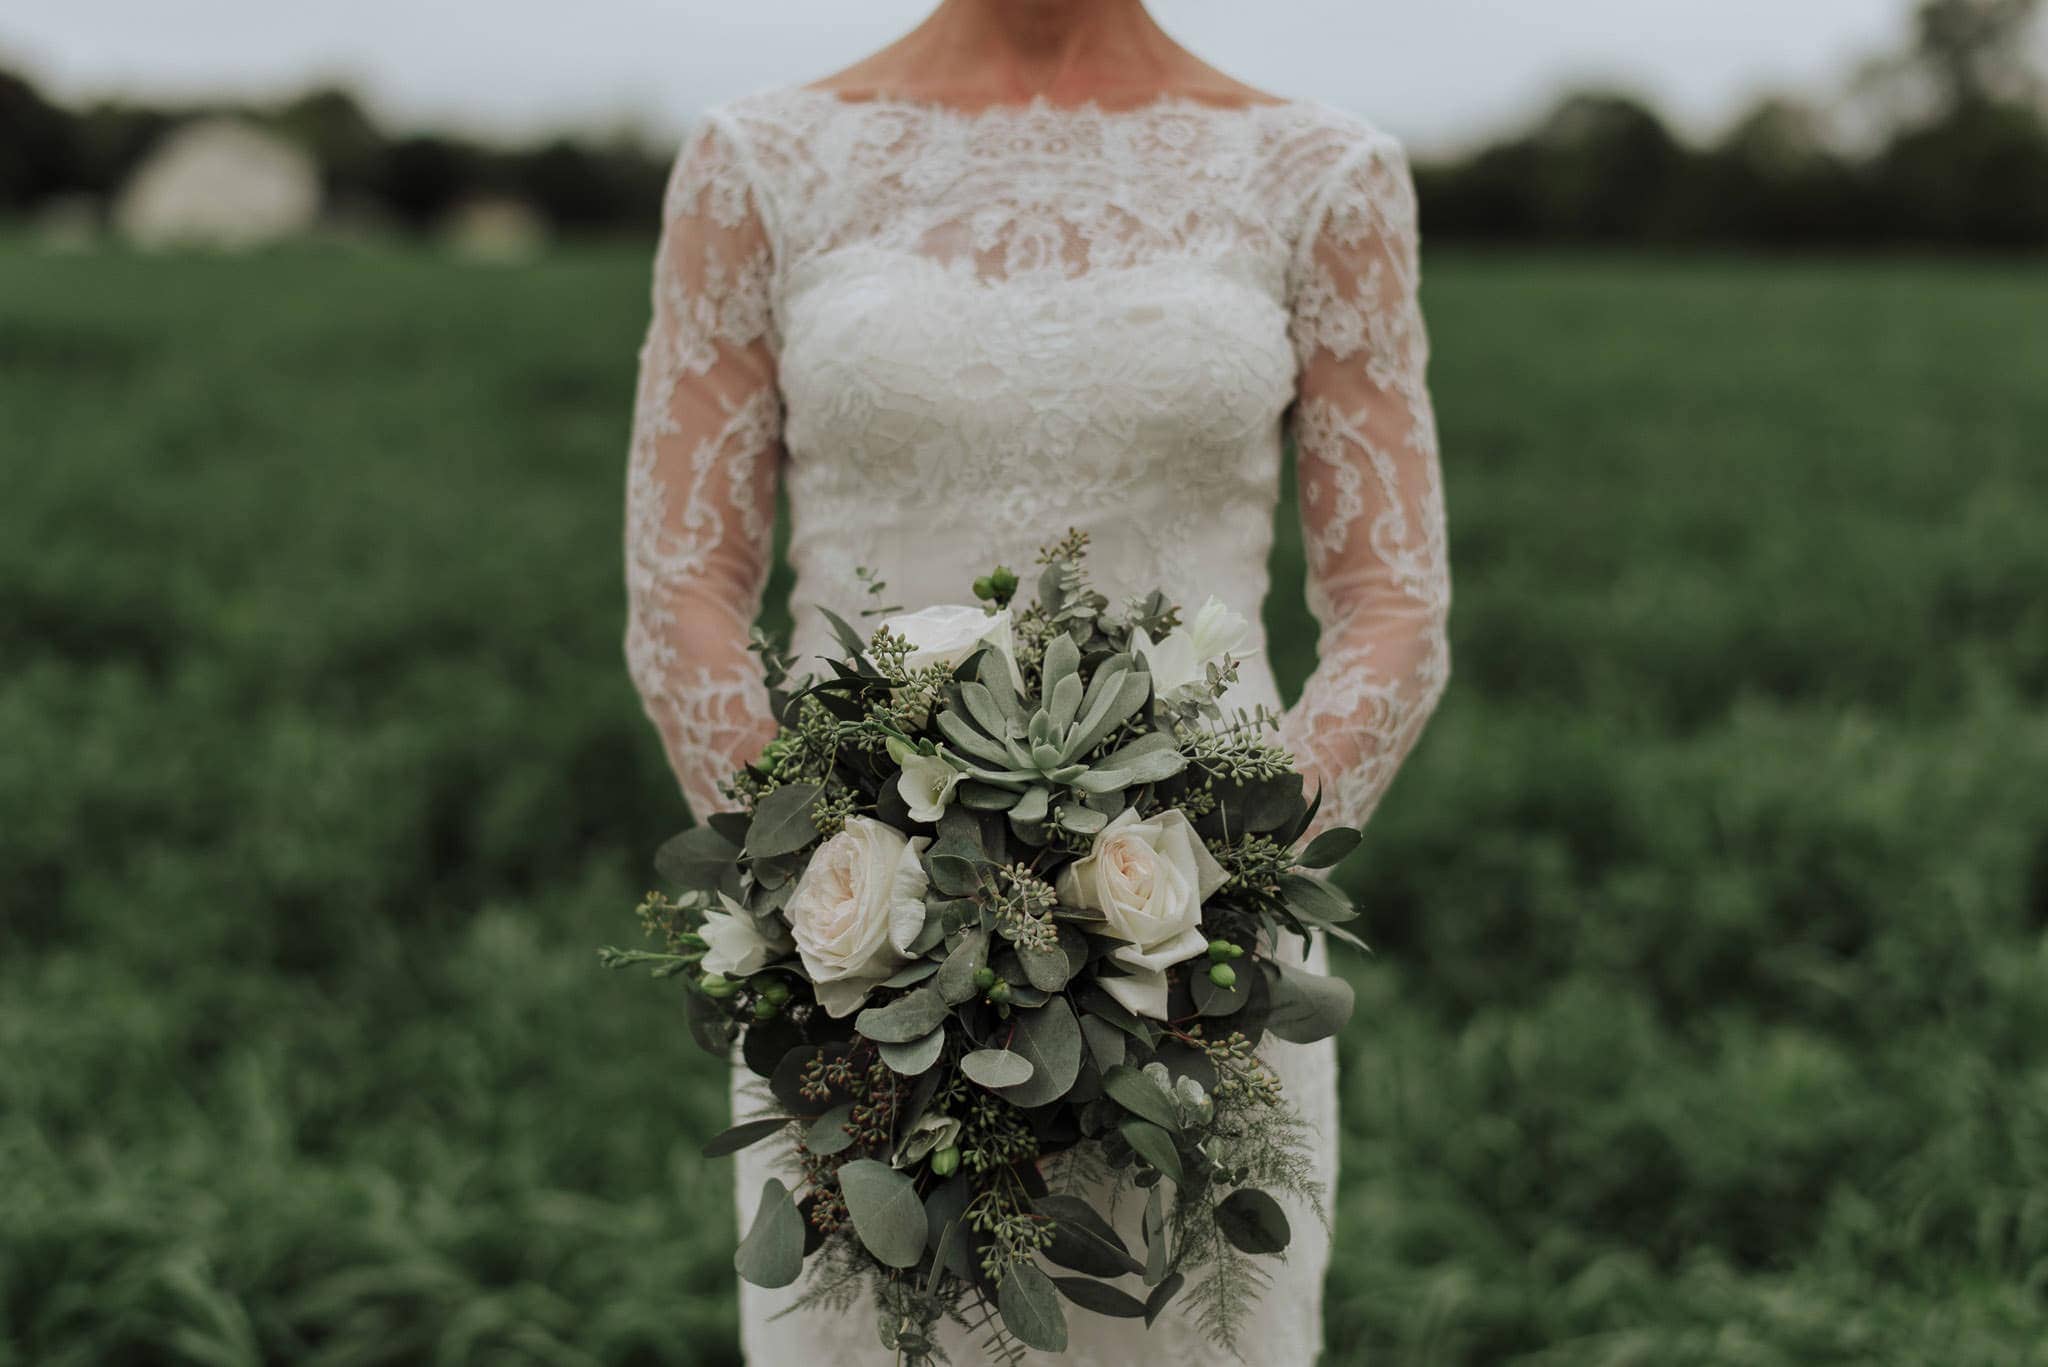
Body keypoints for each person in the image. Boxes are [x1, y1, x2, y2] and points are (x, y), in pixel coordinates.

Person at [622, 0, 1452, 1360]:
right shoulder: (760, 164)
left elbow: (1392, 601)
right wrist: (832, 892)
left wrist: (1221, 896)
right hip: (854, 995)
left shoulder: (1324, 175)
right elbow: (685, 591)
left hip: (1203, 981)